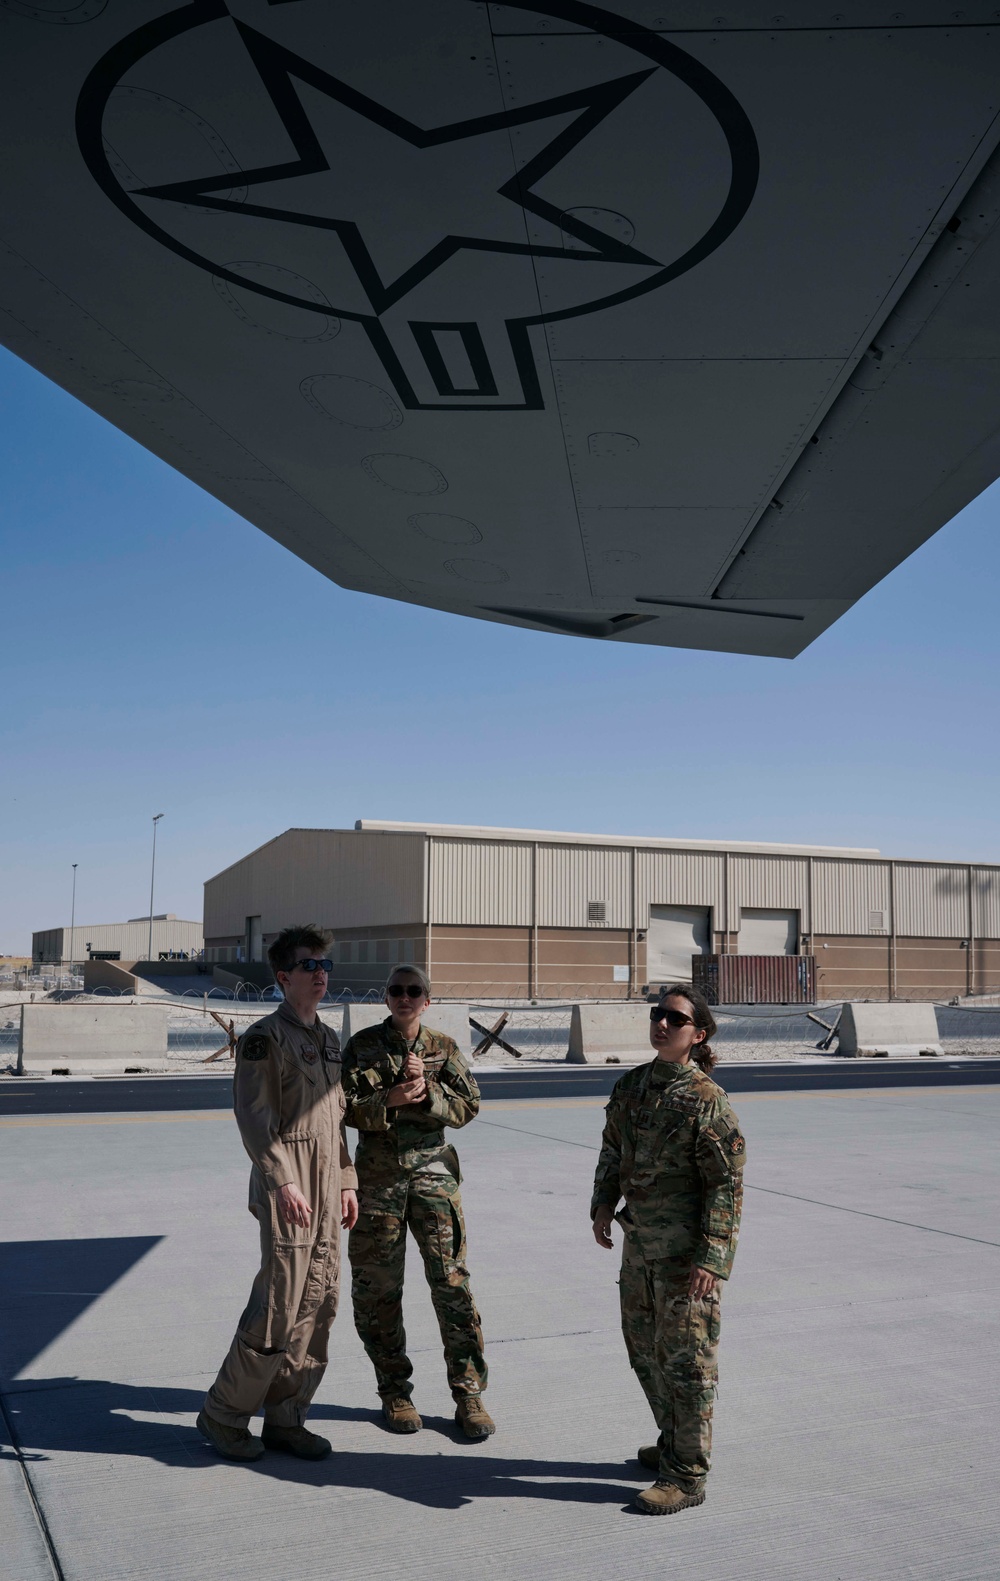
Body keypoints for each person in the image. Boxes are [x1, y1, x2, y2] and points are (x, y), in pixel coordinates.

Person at [197, 926, 358, 1462]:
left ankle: (288, 1418)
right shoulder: (265, 1037)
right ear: (284, 977)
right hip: (287, 1183)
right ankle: (224, 1414)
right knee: (279, 1305)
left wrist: (346, 1182)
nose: (320, 975)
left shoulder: (329, 1039)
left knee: (321, 1299)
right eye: (309, 966)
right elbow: (254, 1119)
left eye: (325, 966)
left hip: (324, 1187)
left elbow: (333, 1122)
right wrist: (283, 1180)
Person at [591, 984, 745, 1516]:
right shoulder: (632, 1086)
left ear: (696, 1035)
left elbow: (725, 1185)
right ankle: (672, 1440)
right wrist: (602, 1203)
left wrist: (713, 1257)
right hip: (639, 1246)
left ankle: (687, 1474)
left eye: (675, 1020)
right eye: (658, 1015)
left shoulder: (706, 1100)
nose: (661, 1024)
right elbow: (612, 1149)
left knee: (688, 1363)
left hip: (685, 1255)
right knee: (645, 1351)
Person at [341, 964, 493, 1439]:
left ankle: (469, 1394)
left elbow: (469, 1106)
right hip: (378, 1182)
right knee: (378, 1289)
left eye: (414, 992)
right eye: (396, 991)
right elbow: (339, 1105)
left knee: (452, 1286)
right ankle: (394, 1391)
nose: (405, 998)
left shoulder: (443, 1048)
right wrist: (387, 1099)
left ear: (427, 1000)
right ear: (386, 998)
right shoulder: (363, 1046)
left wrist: (427, 1095)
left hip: (433, 1179)